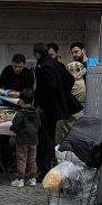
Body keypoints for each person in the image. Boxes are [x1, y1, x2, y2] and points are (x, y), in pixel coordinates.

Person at [33, 43, 81, 176]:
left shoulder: (42, 65)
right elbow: (70, 79)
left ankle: (44, 168)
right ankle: (49, 163)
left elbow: (48, 87)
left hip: (47, 108)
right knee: (51, 136)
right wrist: (62, 94)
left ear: (37, 54)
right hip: (58, 108)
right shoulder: (57, 64)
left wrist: (42, 103)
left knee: (45, 139)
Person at [10, 88, 40, 188]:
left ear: (21, 101)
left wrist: (13, 129)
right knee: (32, 159)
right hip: (33, 139)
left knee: (21, 158)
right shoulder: (36, 112)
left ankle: (20, 179)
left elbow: (15, 126)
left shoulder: (20, 113)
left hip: (22, 140)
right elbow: (39, 124)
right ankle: (32, 178)